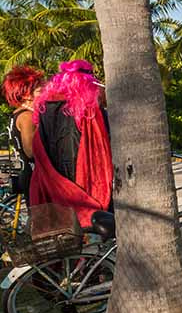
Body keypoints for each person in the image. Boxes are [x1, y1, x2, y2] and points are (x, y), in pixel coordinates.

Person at [29, 60, 112, 227]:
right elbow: (103, 146)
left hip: (55, 179)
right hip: (84, 177)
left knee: (66, 228)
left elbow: (39, 145)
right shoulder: (89, 109)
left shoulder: (45, 107)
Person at [2, 66, 45, 204]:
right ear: (26, 94)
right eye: (39, 89)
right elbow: (31, 151)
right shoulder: (27, 116)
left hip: (28, 173)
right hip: (34, 176)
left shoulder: (18, 114)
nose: (44, 92)